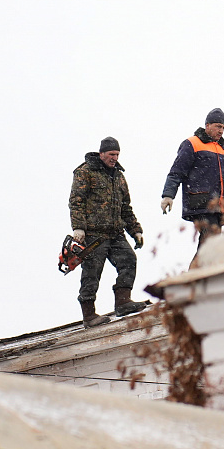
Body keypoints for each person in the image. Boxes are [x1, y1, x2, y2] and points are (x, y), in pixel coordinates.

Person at [68, 137, 145, 326]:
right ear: (101, 153)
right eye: (111, 154)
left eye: (117, 155)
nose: (114, 158)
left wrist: (135, 230)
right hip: (94, 234)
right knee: (92, 273)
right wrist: (79, 227)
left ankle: (123, 301)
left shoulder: (119, 176)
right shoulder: (85, 172)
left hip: (116, 233)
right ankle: (89, 315)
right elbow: (76, 200)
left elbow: (125, 207)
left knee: (129, 260)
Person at [161, 108, 224, 244]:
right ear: (207, 125)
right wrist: (168, 195)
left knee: (211, 246)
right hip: (200, 203)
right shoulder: (192, 144)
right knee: (211, 241)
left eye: (223, 128)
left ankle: (199, 266)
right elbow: (177, 172)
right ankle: (202, 265)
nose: (221, 131)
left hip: (219, 208)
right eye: (218, 126)